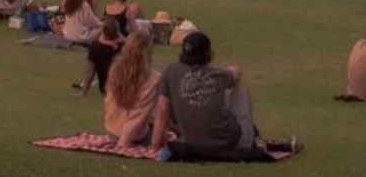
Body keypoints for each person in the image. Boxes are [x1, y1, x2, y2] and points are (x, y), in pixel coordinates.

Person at [150, 32, 269, 161]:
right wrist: (233, 70)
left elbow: (162, 109)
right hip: (226, 142)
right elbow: (236, 73)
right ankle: (247, 140)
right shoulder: (218, 74)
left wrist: (155, 145)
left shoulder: (170, 71)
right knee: (240, 90)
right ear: (207, 53)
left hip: (191, 141)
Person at [104, 31, 161, 146]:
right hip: (135, 136)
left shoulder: (115, 69)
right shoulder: (154, 78)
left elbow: (109, 103)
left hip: (112, 131)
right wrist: (124, 142)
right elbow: (139, 115)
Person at [80, 16, 125, 96]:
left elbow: (90, 73)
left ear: (103, 31)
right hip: (123, 88)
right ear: (118, 31)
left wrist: (83, 93)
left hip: (106, 89)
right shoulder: (124, 46)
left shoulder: (95, 46)